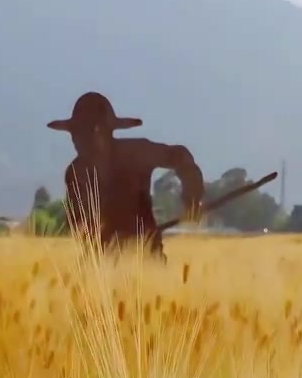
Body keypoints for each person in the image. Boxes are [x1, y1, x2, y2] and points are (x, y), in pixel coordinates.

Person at [47, 91, 205, 260]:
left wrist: (192, 199)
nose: (75, 141)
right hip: (100, 265)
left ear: (98, 131)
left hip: (147, 260)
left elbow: (180, 156)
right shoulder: (76, 172)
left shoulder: (137, 153)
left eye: (78, 133)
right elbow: (79, 222)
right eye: (74, 134)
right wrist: (117, 240)